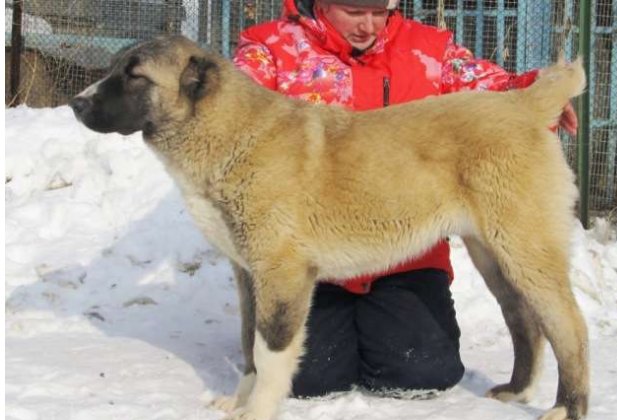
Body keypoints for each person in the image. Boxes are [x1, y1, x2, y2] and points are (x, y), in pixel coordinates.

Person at [233, 0, 578, 398]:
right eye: (355, 12)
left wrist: (534, 88)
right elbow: (233, 110)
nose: (368, 26)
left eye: (379, 12)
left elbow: (491, 87)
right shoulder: (270, 49)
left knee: (421, 369)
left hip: (404, 254)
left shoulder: (426, 48)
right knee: (310, 378)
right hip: (314, 262)